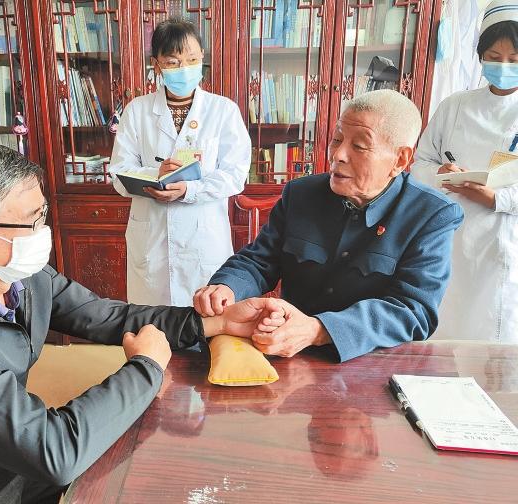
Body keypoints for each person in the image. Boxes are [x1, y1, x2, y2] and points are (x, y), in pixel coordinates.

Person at [0, 141, 283, 503]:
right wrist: (145, 368)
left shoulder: (19, 275)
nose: (43, 232)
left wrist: (215, 324)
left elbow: (106, 315)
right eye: (32, 220)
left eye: (43, 214)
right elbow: (53, 451)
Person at [194, 90, 464, 362]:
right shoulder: (301, 193)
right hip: (286, 352)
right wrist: (226, 287)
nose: (338, 154)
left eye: (359, 146)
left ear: (400, 160)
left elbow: (414, 310)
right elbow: (259, 260)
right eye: (337, 139)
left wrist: (320, 329)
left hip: (371, 362)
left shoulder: (431, 215)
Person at [109, 18, 251, 306]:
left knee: (206, 317)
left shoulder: (223, 110)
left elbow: (235, 175)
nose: (184, 68)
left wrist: (189, 190)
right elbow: (119, 173)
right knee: (152, 320)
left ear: (202, 58)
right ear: (156, 65)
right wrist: (155, 174)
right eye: (173, 62)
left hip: (204, 238)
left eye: (192, 60)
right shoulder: (137, 111)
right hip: (152, 238)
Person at [410, 0, 518, 343]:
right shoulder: (455, 105)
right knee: (444, 325)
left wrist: (497, 198)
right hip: (449, 234)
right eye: (494, 56)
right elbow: (419, 163)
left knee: (492, 332)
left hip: (502, 237)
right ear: (481, 55)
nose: (503, 66)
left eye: (514, 59)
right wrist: (442, 173)